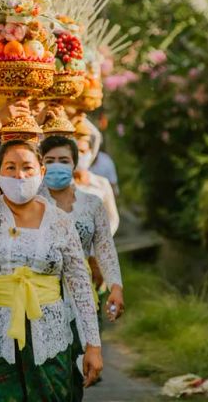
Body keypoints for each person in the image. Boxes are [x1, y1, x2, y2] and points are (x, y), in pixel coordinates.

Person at [0, 100, 102, 400]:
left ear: (42, 170)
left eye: (27, 167)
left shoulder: (59, 221)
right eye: (11, 167)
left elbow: (80, 285)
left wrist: (93, 345)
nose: (19, 175)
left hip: (50, 339)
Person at [39, 134, 125, 401]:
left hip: (81, 298)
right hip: (39, 299)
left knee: (74, 377)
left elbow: (105, 249)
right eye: (49, 160)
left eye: (63, 160)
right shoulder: (30, 202)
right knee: (43, 377)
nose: (57, 166)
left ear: (75, 164)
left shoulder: (91, 204)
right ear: (41, 165)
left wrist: (115, 287)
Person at [74, 119, 120, 236]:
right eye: (75, 152)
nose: (79, 155)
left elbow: (113, 219)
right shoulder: (61, 184)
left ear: (91, 152)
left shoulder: (102, 183)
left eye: (82, 151)